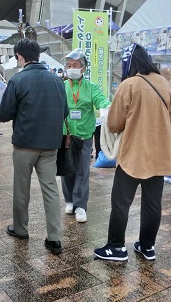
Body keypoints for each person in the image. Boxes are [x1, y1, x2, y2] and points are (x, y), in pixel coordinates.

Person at [94, 43, 171, 261]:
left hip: (133, 154)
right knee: (152, 204)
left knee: (121, 203)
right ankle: (147, 246)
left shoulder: (129, 85)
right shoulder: (165, 84)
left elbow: (113, 123)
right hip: (159, 156)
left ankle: (116, 247)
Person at [0, 39, 68, 255]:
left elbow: (5, 114)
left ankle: (21, 229)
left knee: (21, 189)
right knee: (51, 191)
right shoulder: (57, 81)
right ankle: (54, 238)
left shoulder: (18, 80)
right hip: (50, 146)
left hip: (25, 146)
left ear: (20, 56)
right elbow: (64, 112)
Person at [61, 48, 111, 223]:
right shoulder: (62, 86)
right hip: (65, 135)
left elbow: (101, 100)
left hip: (84, 136)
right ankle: (69, 200)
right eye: (69, 65)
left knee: (82, 170)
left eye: (75, 65)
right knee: (67, 169)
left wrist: (108, 107)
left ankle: (81, 205)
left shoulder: (91, 88)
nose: (71, 68)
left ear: (83, 68)